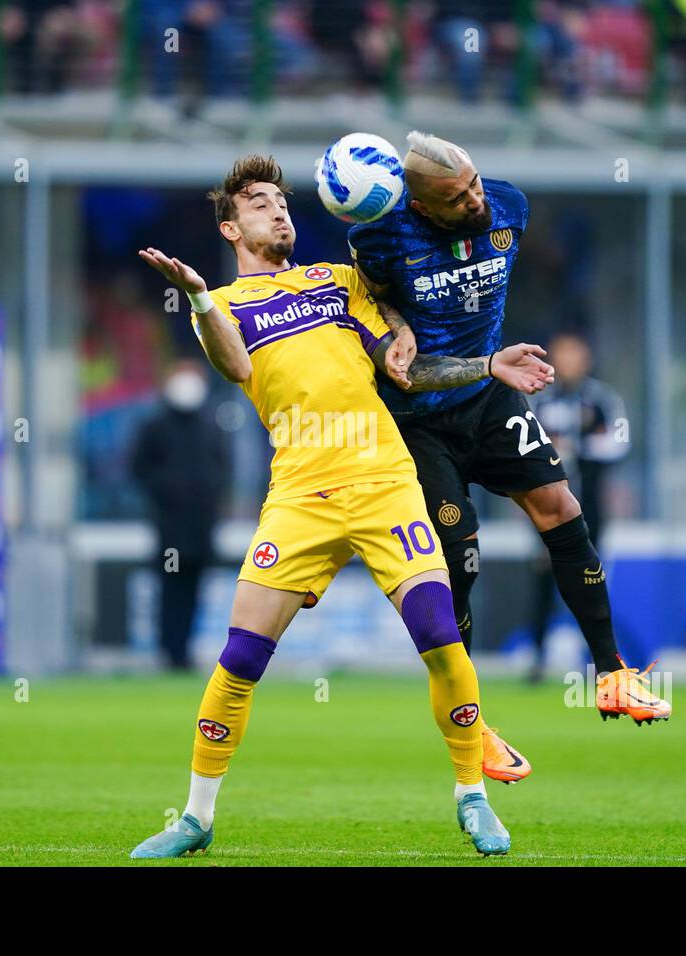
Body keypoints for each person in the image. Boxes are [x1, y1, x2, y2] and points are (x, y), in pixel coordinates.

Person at [130, 154, 554, 858]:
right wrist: (201, 297)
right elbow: (234, 365)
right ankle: (196, 819)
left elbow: (408, 367)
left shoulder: (338, 283)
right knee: (239, 657)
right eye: (261, 203)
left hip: (383, 480)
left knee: (438, 633)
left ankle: (471, 797)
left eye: (283, 201)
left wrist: (484, 364)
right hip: (300, 494)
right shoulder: (224, 309)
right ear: (232, 228)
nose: (279, 211)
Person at [348, 131, 672, 762]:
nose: (473, 200)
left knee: (562, 509)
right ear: (420, 207)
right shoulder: (382, 238)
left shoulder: (509, 204)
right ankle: (472, 726)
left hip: (492, 396)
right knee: (460, 555)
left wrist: (491, 363)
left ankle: (612, 674)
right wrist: (396, 325)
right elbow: (391, 339)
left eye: (473, 183)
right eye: (456, 196)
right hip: (419, 419)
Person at [527, 332, 630, 678]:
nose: (569, 363)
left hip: (591, 508)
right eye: (563, 355)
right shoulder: (540, 398)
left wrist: (579, 446)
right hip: (546, 507)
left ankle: (600, 659)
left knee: (590, 577)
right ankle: (538, 658)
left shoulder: (601, 398)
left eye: (576, 355)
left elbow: (620, 440)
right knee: (544, 579)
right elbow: (521, 443)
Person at [129, 360, 229, 671]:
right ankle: (168, 652)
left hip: (201, 528)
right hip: (170, 527)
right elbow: (139, 468)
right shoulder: (156, 425)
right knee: (170, 590)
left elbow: (223, 470)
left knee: (194, 592)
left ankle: (183, 651)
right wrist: (166, 493)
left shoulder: (210, 425)